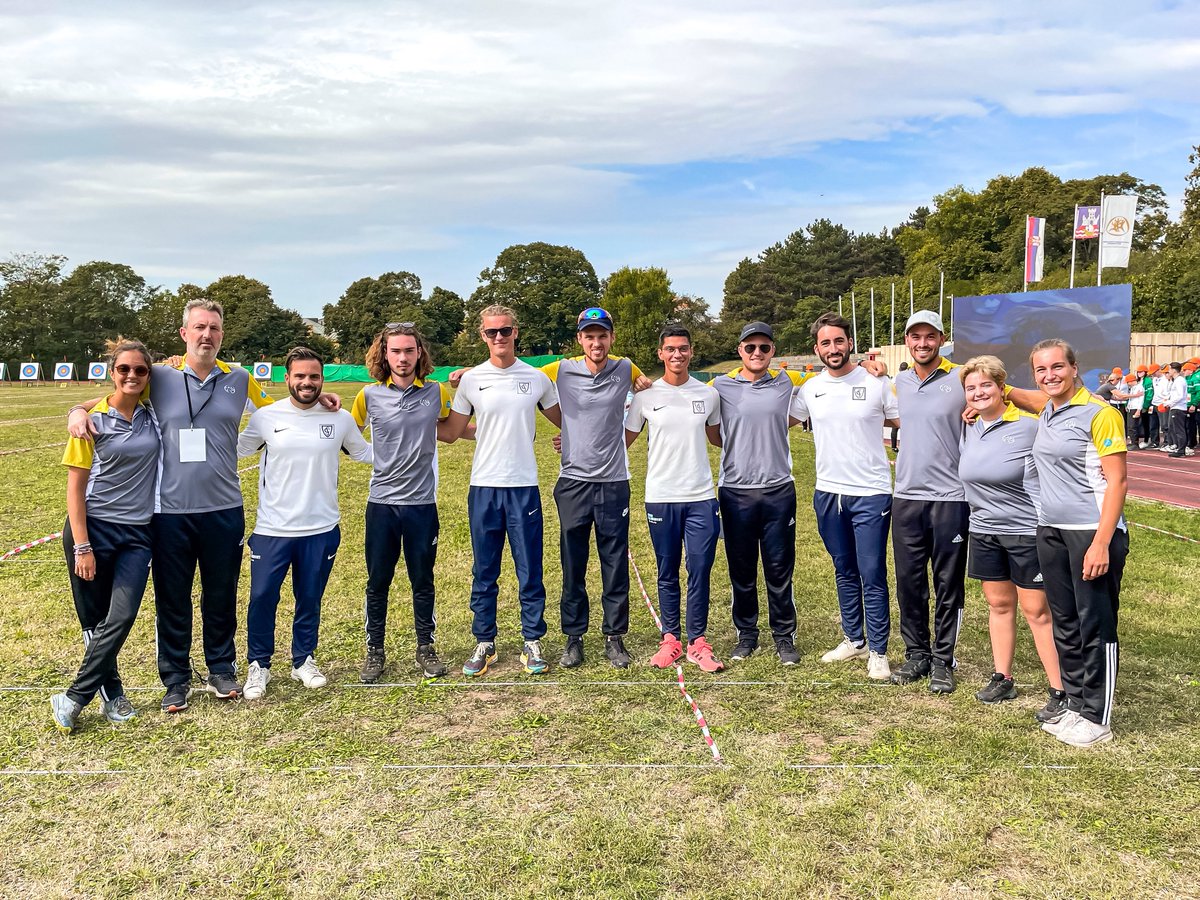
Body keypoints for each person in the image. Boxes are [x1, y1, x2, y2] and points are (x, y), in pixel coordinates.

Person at [67, 299, 315, 712]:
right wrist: (78, 409)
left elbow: (279, 410)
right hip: (169, 513)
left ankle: (221, 667)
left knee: (220, 593)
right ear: (184, 334)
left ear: (221, 335)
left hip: (223, 509)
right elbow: (116, 394)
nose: (207, 335)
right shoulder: (159, 377)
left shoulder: (238, 379)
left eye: (214, 328)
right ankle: (176, 679)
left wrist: (319, 400)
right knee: (173, 597)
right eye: (199, 327)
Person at [238, 347, 373, 701]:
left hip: (322, 529)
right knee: (262, 598)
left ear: (322, 379)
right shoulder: (266, 417)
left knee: (309, 598)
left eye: (314, 376)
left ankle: (303, 660)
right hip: (272, 530)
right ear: (287, 379)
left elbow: (364, 453)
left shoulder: (339, 418)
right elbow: (233, 450)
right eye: (299, 376)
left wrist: (415, 444)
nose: (307, 382)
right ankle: (259, 665)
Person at [441, 305, 561, 676]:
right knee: (484, 569)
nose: (498, 338)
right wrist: (408, 417)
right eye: (491, 332)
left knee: (529, 568)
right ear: (482, 335)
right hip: (484, 487)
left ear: (515, 332)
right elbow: (452, 431)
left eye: (505, 331)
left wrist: (570, 435)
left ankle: (532, 640)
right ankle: (485, 641)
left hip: (523, 486)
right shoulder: (472, 379)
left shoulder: (537, 378)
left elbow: (568, 419)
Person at [51, 339, 160, 731]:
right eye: (124, 369)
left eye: (140, 370)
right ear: (111, 372)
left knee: (124, 614)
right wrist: (82, 546)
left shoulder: (153, 413)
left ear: (148, 376)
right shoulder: (91, 421)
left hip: (137, 534)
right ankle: (113, 696)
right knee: (96, 622)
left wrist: (76, 405)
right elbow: (74, 490)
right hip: (91, 531)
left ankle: (74, 696)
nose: (132, 376)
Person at [1030, 339, 1128, 748]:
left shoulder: (1100, 414)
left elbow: (1118, 481)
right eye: (1041, 370)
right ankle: (1074, 702)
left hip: (1091, 531)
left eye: (1057, 367)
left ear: (1074, 367)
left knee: (1095, 623)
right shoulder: (1047, 411)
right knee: (1066, 622)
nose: (1050, 375)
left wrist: (1101, 542)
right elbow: (1016, 395)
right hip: (1051, 530)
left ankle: (1097, 716)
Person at [791, 312, 899, 681]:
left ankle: (880, 650)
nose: (833, 348)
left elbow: (908, 421)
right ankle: (855, 639)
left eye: (839, 341)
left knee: (871, 571)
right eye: (826, 343)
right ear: (816, 349)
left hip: (870, 493)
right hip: (828, 493)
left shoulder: (876, 382)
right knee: (844, 570)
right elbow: (774, 416)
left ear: (850, 343)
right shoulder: (810, 389)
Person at [957, 356, 1065, 720]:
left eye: (986, 385)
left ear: (1001, 387)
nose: (978, 392)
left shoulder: (1030, 426)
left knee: (1037, 611)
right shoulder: (969, 426)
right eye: (971, 388)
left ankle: (1060, 689)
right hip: (984, 531)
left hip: (1025, 532)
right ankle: (1003, 677)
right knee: (999, 605)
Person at [543, 307, 652, 670]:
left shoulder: (625, 367)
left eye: (602, 335)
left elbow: (647, 387)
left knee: (614, 560)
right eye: (589, 335)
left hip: (613, 483)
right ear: (579, 340)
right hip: (573, 482)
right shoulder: (559, 370)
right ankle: (573, 638)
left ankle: (614, 637)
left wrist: (642, 383)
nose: (596, 342)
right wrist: (465, 373)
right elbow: (517, 377)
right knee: (573, 562)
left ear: (611, 338)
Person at [351, 323, 459, 683]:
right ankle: (375, 651)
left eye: (408, 351)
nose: (402, 357)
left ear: (419, 353)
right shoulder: (368, 395)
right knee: (378, 580)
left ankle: (425, 647)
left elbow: (448, 430)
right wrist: (322, 402)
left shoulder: (435, 392)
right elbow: (345, 432)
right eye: (395, 351)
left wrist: (495, 424)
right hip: (381, 504)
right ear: (384, 354)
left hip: (421, 505)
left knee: (422, 579)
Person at [625, 326, 724, 673]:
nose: (677, 355)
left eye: (683, 349)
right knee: (667, 571)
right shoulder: (645, 396)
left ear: (691, 352)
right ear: (660, 353)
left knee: (699, 569)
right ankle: (671, 639)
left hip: (700, 498)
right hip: (660, 497)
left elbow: (718, 440)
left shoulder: (708, 395)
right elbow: (621, 441)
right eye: (670, 349)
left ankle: (698, 642)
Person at [711, 322, 810, 666]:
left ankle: (784, 637)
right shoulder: (720, 385)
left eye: (764, 348)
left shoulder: (786, 381)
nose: (757, 353)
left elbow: (830, 379)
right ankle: (747, 634)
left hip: (778, 490)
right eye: (750, 347)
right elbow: (708, 426)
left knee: (779, 567)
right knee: (741, 568)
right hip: (735, 491)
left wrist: (869, 368)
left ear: (773, 351)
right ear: (739, 351)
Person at [1164, 363, 1190, 458]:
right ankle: (1179, 448)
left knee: (1179, 429)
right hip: (1175, 407)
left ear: (1174, 370)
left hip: (1178, 408)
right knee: (1175, 428)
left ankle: (1181, 450)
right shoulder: (1176, 381)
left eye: (1170, 369)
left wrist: (1169, 403)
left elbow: (1180, 395)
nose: (1169, 371)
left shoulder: (1179, 381)